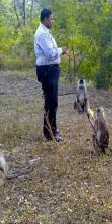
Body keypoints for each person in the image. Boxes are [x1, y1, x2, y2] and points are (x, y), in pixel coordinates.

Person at [34, 8, 69, 142]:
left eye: (53, 18)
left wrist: (58, 50)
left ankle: (50, 129)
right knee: (51, 102)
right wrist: (61, 50)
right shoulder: (42, 34)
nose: (53, 21)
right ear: (44, 19)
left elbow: (51, 51)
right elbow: (50, 54)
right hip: (47, 70)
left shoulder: (46, 33)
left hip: (50, 69)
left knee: (51, 101)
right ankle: (50, 132)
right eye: (51, 18)